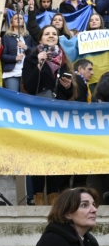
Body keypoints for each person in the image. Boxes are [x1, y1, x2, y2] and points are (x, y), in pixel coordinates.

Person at [22, 25, 77, 205]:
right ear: (40, 39)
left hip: (57, 114)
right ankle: (38, 194)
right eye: (47, 34)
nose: (51, 36)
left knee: (55, 152)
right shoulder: (31, 59)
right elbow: (29, 87)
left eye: (54, 34)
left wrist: (68, 86)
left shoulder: (64, 60)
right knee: (38, 152)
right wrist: (39, 64)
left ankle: (53, 193)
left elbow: (68, 93)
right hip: (38, 114)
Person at [1, 13, 35, 92]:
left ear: (23, 22)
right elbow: (3, 56)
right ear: (11, 23)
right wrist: (15, 58)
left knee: (25, 98)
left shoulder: (28, 37)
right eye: (16, 18)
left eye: (21, 18)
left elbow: (34, 53)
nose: (19, 20)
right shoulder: (6, 37)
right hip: (11, 72)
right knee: (12, 97)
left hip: (27, 72)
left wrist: (25, 47)